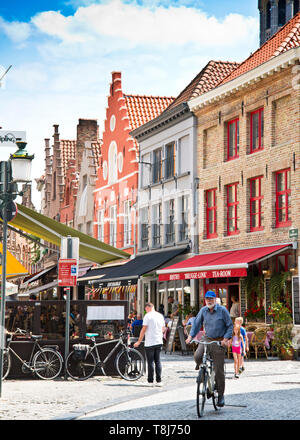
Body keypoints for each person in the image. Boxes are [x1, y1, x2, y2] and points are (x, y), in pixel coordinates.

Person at [185, 290, 233, 408]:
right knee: (197, 355)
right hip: (207, 338)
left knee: (219, 370)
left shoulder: (222, 311)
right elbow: (196, 324)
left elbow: (230, 326)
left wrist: (225, 339)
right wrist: (190, 337)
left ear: (215, 299)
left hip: (218, 340)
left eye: (211, 299)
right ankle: (202, 370)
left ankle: (221, 395)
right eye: (207, 299)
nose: (209, 301)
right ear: (205, 300)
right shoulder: (203, 310)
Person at [134, 303, 165, 387]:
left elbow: (144, 329)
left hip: (150, 341)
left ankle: (150, 381)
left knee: (150, 361)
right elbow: (163, 329)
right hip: (159, 341)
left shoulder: (147, 316)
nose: (145, 311)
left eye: (145, 309)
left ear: (148, 308)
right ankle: (159, 381)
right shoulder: (160, 316)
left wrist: (139, 341)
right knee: (158, 361)